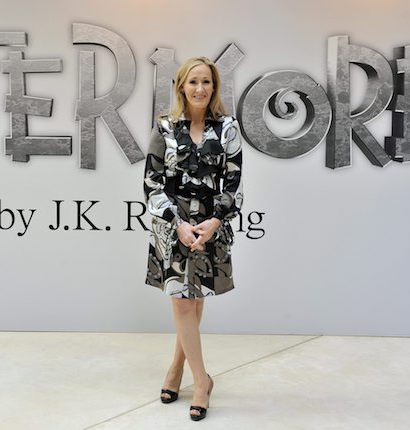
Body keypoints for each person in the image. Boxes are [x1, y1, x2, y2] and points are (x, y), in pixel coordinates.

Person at [144, 57, 243, 421]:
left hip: (211, 226)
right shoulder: (165, 128)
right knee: (183, 303)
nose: (200, 88)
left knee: (195, 300)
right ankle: (202, 382)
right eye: (193, 82)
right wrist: (179, 225)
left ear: (214, 87)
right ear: (181, 87)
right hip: (174, 228)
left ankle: (175, 369)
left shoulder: (228, 128)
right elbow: (152, 183)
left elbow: (234, 183)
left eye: (206, 82)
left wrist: (214, 222)